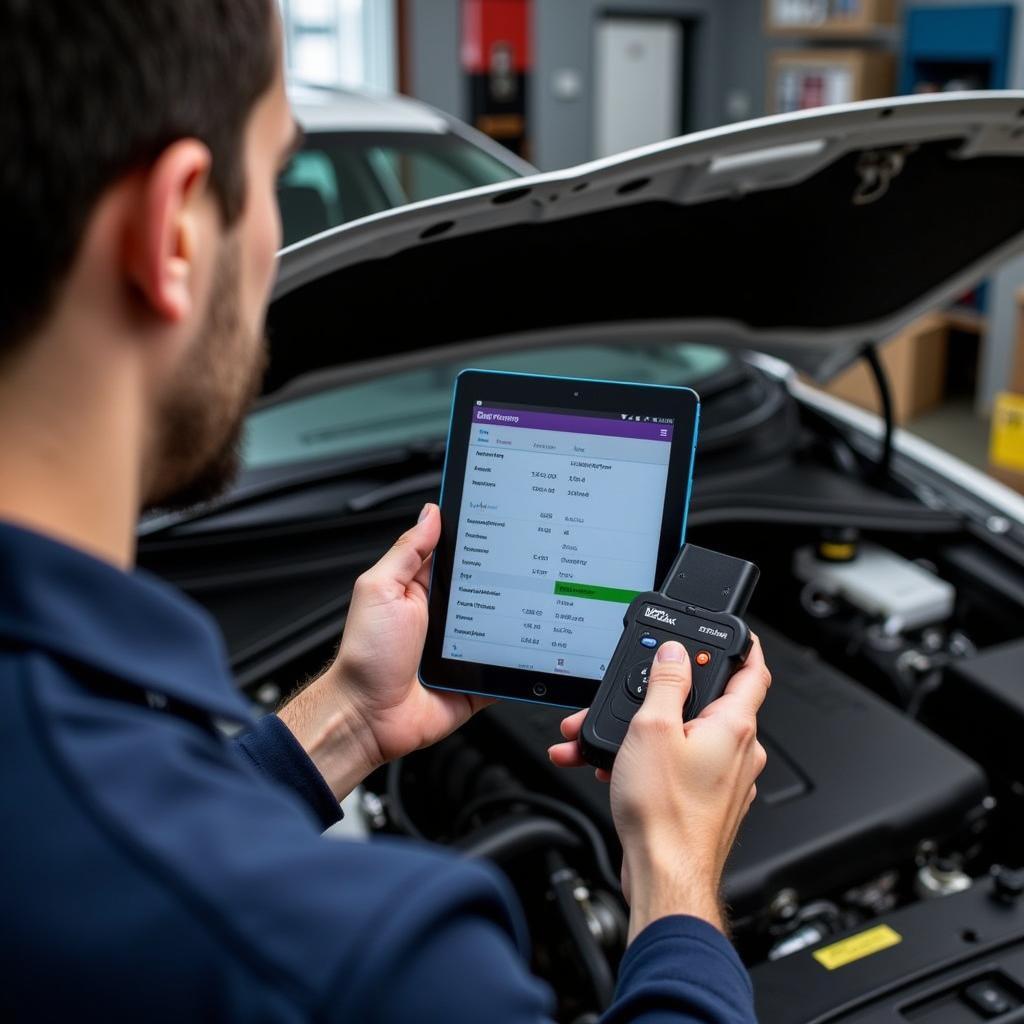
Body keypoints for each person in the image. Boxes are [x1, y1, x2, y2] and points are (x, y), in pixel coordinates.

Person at [0, 2, 770, 1021]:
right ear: (176, 225)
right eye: (277, 177)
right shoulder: (366, 967)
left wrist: (346, 720)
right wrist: (674, 873)